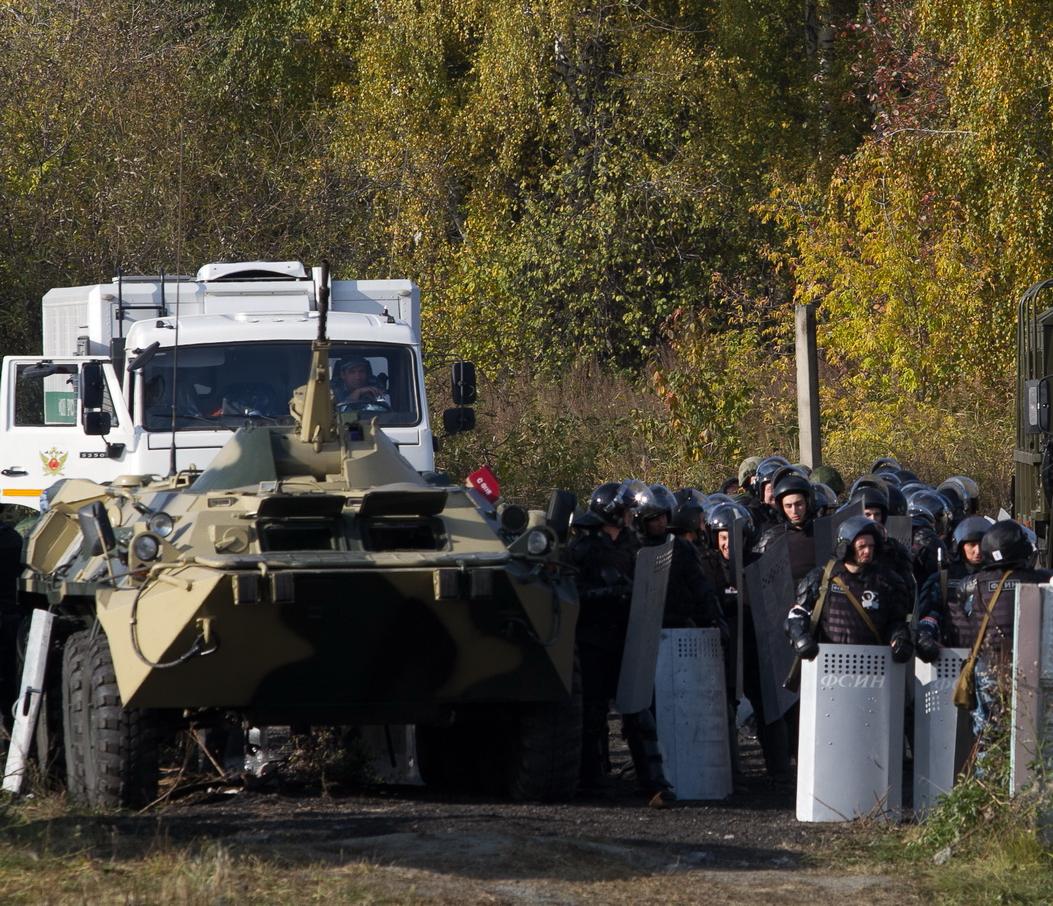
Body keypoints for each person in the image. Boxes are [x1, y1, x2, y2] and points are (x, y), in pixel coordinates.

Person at [954, 520, 1051, 756]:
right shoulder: (1039, 579)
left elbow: (961, 620)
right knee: (1031, 733)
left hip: (987, 667)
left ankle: (986, 788)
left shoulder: (972, 585)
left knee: (986, 736)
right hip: (1030, 667)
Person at [786, 515, 913, 660]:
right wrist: (801, 637)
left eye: (871, 546)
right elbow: (797, 614)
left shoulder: (888, 581)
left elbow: (897, 621)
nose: (867, 551)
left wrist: (900, 638)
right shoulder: (822, 577)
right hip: (829, 667)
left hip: (873, 666)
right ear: (846, 547)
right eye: (862, 547)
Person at [915, 514, 994, 659]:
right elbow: (930, 614)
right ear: (960, 546)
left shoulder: (998, 577)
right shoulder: (945, 578)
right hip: (952, 656)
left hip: (992, 656)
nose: (978, 551)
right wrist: (926, 636)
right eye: (972, 545)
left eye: (982, 544)